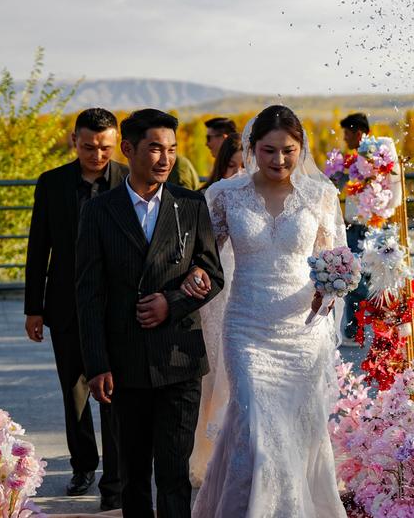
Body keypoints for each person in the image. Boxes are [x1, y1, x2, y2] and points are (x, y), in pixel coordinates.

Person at [189, 105, 347, 517]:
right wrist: (195, 277)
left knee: (294, 431)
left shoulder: (321, 196)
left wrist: (328, 293)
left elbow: (333, 261)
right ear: (252, 148)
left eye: (288, 151)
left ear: (301, 149)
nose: (279, 160)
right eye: (269, 150)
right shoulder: (225, 196)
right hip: (246, 328)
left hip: (302, 333)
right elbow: (202, 257)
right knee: (256, 426)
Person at [76, 108, 224, 518]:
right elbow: (88, 294)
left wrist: (171, 303)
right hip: (125, 362)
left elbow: (213, 273)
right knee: (134, 473)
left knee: (174, 473)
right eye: (155, 148)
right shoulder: (99, 211)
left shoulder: (190, 204)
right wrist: (97, 365)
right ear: (128, 149)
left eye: (172, 149)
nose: (166, 158)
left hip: (179, 357)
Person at [24, 108, 127, 509]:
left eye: (105, 147)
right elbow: (39, 247)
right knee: (75, 392)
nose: (97, 155)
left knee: (116, 393)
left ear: (117, 143)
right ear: (74, 141)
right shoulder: (51, 183)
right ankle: (83, 466)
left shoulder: (128, 179)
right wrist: (34, 308)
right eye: (88, 147)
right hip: (65, 303)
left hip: (116, 307)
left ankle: (116, 476)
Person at [188, 132, 243, 486]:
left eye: (244, 166)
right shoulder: (213, 198)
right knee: (214, 374)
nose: (238, 174)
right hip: (217, 295)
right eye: (231, 166)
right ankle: (207, 454)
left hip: (249, 292)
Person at [339, 112, 371, 344]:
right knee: (353, 278)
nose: (344, 138)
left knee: (357, 282)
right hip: (352, 227)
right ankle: (354, 331)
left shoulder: (373, 162)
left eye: (347, 134)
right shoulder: (353, 162)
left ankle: (366, 321)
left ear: (358, 133)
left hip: (366, 229)